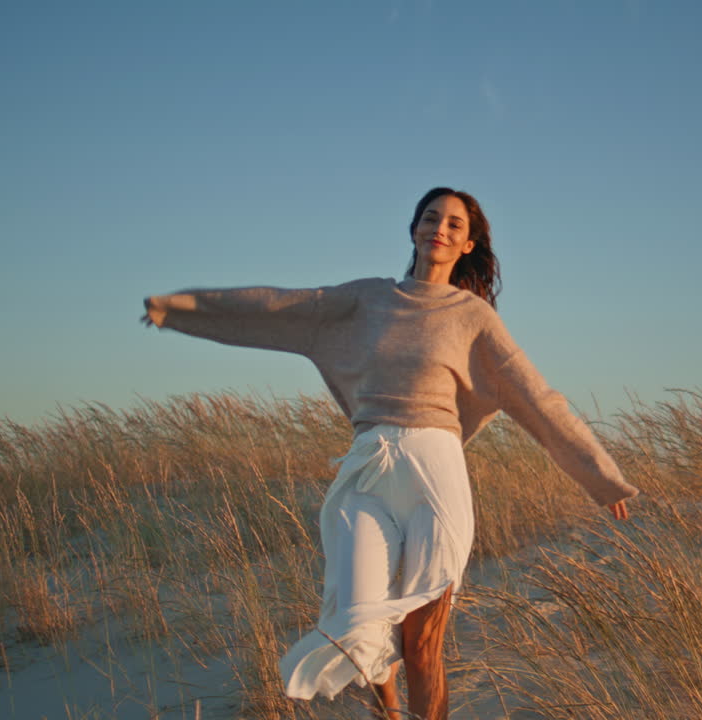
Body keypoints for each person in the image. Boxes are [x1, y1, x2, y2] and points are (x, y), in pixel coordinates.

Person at [142, 187, 637, 719]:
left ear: (468, 244)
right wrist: (182, 309)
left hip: (435, 474)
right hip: (367, 470)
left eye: (453, 224)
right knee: (359, 625)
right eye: (431, 218)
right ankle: (391, 709)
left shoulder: (472, 317)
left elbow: (536, 398)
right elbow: (281, 307)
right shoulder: (366, 300)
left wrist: (600, 478)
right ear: (414, 229)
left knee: (423, 646)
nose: (439, 229)